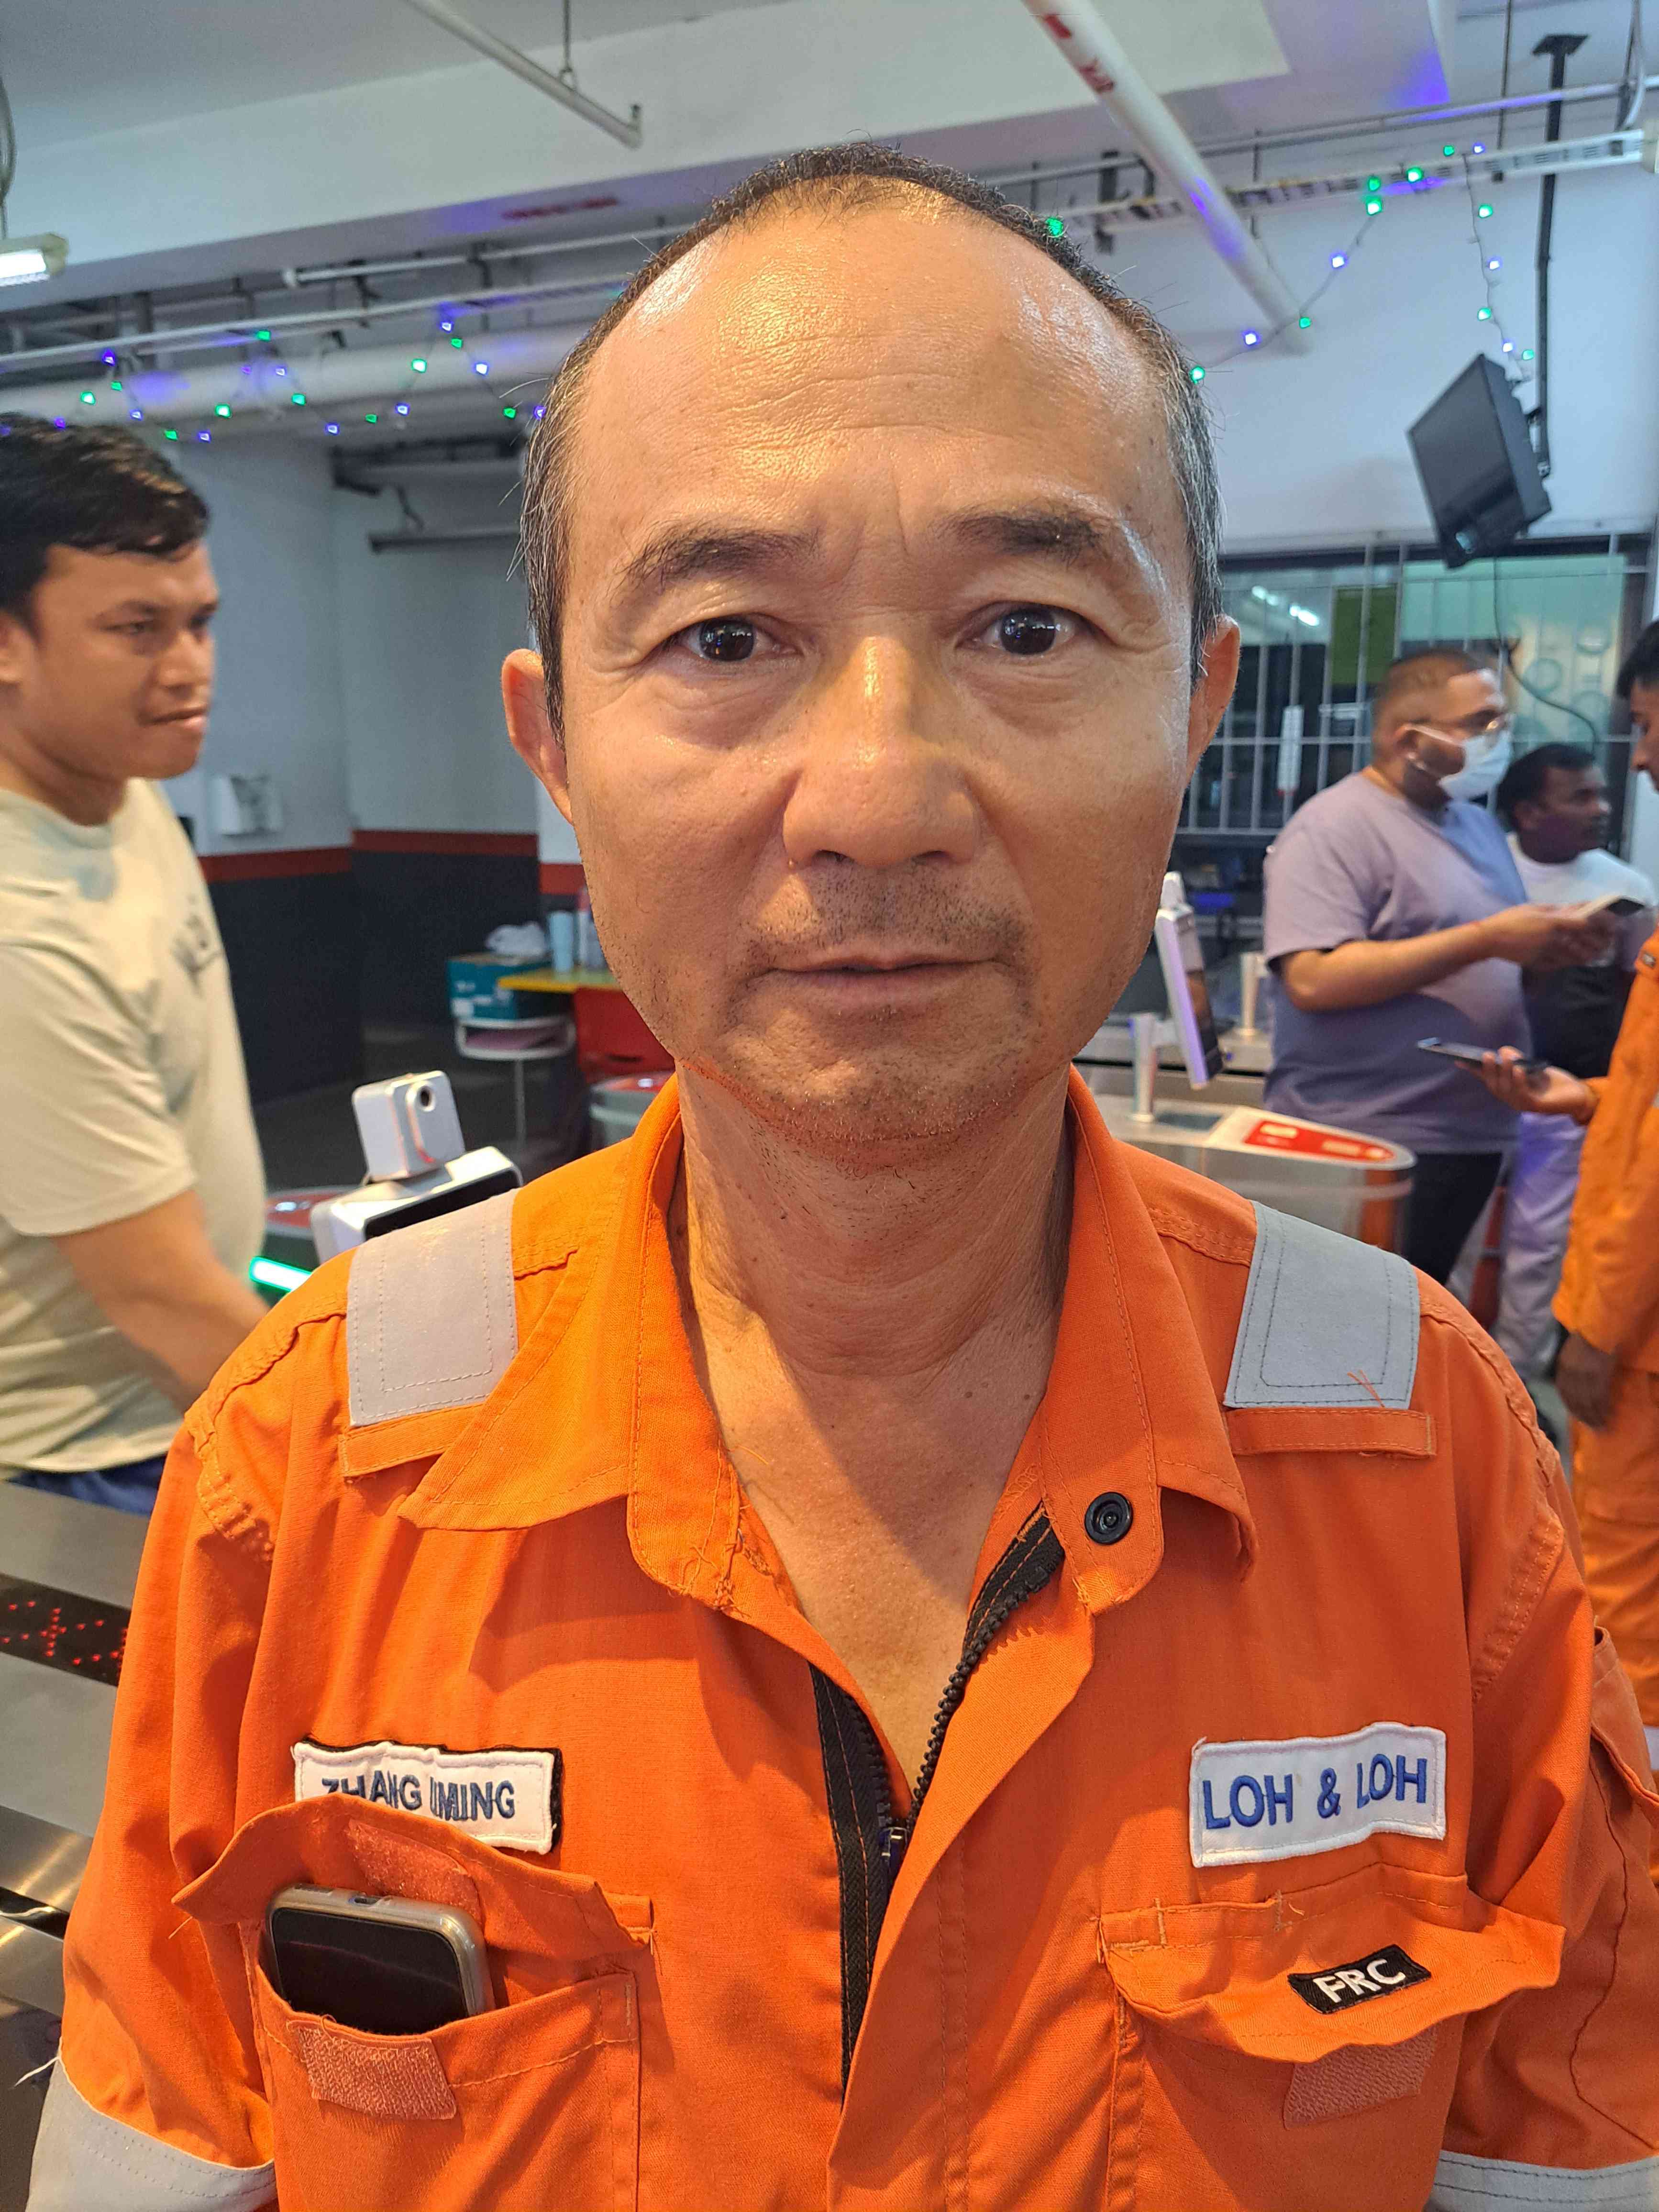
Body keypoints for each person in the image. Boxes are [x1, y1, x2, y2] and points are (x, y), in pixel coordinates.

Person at [31, 150, 1659, 2212]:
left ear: (1194, 707)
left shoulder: (1425, 1455)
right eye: (724, 635)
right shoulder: (313, 1455)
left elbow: (1559, 2150)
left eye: (1027, 625)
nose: (878, 797)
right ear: (555, 741)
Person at [0, 419, 267, 1515]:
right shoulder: (21, 930)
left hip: (174, 1403)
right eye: (137, 629)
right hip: (90, 1462)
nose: (190, 668)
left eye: (199, 622)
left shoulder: (115, 783)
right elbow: (166, 1305)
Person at [1261, 649, 1612, 1282]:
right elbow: (1312, 978)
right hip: (1372, 1137)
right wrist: (1486, 939)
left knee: (1426, 1324)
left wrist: (1546, 955)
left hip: (1472, 1130)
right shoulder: (1333, 827)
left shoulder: (1476, 826)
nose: (1499, 738)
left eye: (1502, 721)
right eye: (1480, 724)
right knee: (1356, 1326)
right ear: (1410, 740)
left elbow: (1490, 961)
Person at [1480, 620, 1659, 1794]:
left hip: (1642, 1339)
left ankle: (1632, 1846)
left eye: (1644, 727)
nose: (1637, 762)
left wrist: (1595, 1328)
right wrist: (1585, 1097)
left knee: (1631, 1609)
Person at [1467, 743, 1653, 1378]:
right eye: (1580, 797)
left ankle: (1515, 1382)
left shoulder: (1626, 887)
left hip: (1567, 1095)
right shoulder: (1485, 871)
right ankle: (1451, 1376)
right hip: (1479, 1086)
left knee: (1539, 1246)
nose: (1600, 809)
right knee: (1462, 1236)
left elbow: (1635, 1001)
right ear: (1528, 811)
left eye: (1600, 795)